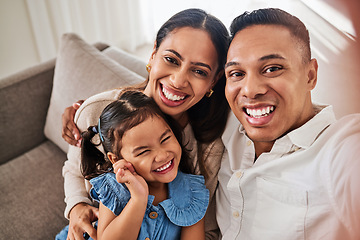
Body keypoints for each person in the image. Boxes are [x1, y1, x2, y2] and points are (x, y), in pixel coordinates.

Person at [61, 8, 230, 240]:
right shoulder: (97, 111)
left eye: (199, 71)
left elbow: (206, 228)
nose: (178, 81)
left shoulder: (210, 146)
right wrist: (76, 206)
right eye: (171, 59)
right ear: (153, 54)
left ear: (215, 79)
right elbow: (74, 168)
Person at [216, 8, 360, 239]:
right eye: (237, 73)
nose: (251, 90)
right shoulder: (226, 125)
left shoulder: (340, 149)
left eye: (272, 69)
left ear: (310, 75)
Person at [57, 91, 209, 240]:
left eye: (165, 139)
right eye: (143, 152)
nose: (162, 155)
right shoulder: (115, 188)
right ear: (116, 160)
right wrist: (138, 199)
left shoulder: (192, 194)